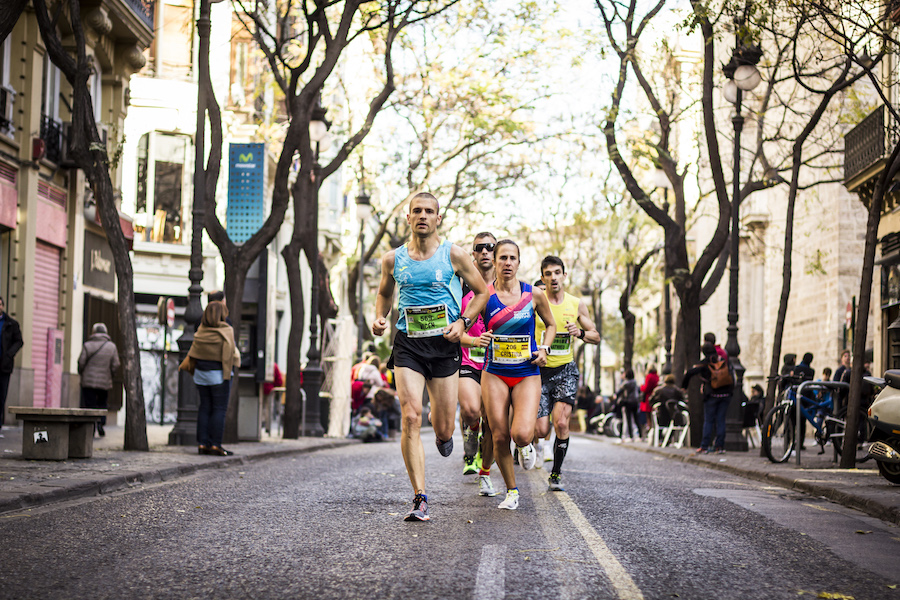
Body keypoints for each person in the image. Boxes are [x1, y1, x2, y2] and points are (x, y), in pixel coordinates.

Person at [371, 192, 488, 522]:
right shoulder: (393, 259)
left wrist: (463, 322)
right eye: (416, 211)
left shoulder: (454, 255)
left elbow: (481, 292)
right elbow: (383, 292)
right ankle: (419, 496)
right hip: (408, 344)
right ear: (408, 219)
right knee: (410, 416)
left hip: (444, 347)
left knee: (443, 428)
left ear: (439, 219)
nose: (422, 216)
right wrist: (380, 316)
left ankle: (444, 436)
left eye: (429, 211)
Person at [473, 239, 556, 510]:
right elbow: (462, 327)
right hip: (494, 372)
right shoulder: (483, 295)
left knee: (521, 434)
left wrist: (544, 348)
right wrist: (475, 340)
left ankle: (525, 445)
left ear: (519, 263)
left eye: (512, 258)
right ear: (494, 262)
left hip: (526, 371)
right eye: (503, 258)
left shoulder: (534, 295)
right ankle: (512, 491)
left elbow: (551, 325)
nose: (507, 263)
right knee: (498, 435)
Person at [531, 255, 599, 492]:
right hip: (538, 371)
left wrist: (579, 332)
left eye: (557, 272)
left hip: (565, 370)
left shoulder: (576, 303)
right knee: (540, 429)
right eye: (548, 274)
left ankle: (556, 473)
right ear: (543, 278)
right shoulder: (534, 300)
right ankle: (537, 445)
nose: (553, 278)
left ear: (564, 275)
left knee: (561, 422)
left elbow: (596, 336)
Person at [457, 232, 498, 496]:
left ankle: (485, 472)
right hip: (466, 359)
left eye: (490, 247)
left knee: (494, 423)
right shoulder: (459, 287)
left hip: (498, 363)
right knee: (472, 411)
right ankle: (471, 430)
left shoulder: (507, 288)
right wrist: (472, 341)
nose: (484, 252)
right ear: (472, 254)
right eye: (479, 248)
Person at [179, 301, 241, 457]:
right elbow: (230, 354)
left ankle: (202, 443)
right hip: (219, 375)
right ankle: (215, 445)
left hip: (201, 375)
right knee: (219, 409)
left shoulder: (200, 331)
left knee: (204, 407)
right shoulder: (226, 331)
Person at [682, 341, 733, 454]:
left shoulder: (705, 363)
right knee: (721, 420)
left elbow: (690, 372)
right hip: (726, 394)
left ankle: (704, 446)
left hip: (712, 395)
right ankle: (720, 446)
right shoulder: (723, 360)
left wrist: (684, 386)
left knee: (709, 421)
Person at [77, 323, 120, 437]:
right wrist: (110, 374)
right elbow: (116, 364)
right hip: (104, 381)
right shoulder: (111, 347)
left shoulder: (87, 345)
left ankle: (91, 427)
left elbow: (81, 362)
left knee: (90, 405)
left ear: (93, 332)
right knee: (102, 403)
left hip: (88, 381)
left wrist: (82, 373)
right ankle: (101, 423)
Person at [0, 296, 23, 436]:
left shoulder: (11, 324)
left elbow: (19, 341)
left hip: (4, 365)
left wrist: (8, 355)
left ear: (3, 306)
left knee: (1, 396)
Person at [615, 369, 640, 442]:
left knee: (628, 419)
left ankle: (630, 436)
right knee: (636, 418)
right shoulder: (635, 382)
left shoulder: (626, 383)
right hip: (635, 402)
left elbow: (619, 391)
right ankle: (640, 435)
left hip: (628, 402)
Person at [639, 366, 660, 437]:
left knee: (648, 417)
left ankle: (651, 433)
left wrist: (641, 386)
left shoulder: (649, 376)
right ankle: (653, 432)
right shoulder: (657, 376)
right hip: (655, 397)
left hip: (648, 398)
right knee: (653, 416)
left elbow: (646, 388)